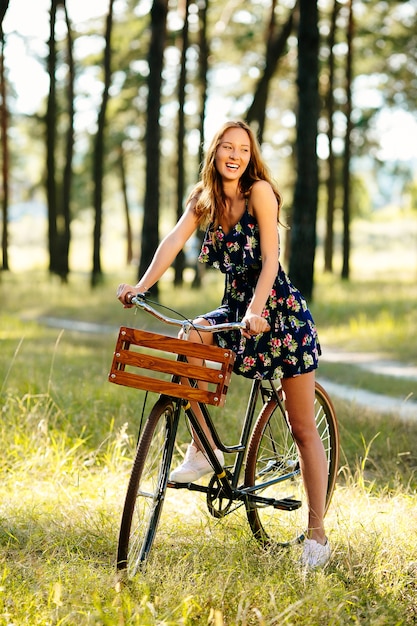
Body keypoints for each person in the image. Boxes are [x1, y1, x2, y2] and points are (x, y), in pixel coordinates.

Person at [117, 120, 330, 569]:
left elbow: (272, 259)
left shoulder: (260, 193)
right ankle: (203, 448)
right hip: (236, 308)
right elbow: (174, 240)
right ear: (214, 152)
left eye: (243, 150)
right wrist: (141, 285)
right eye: (227, 148)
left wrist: (258, 310)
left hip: (278, 312)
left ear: (250, 158)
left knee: (302, 428)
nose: (235, 156)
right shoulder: (205, 198)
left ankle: (317, 535)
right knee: (190, 336)